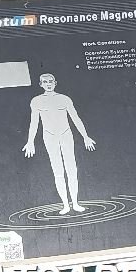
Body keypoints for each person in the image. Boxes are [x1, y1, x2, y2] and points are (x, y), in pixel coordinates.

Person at [23, 73, 96, 214]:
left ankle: (75, 203)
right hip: (49, 136)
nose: (48, 84)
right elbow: (34, 122)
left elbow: (75, 118)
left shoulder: (64, 99)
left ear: (55, 83)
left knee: (71, 169)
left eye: (50, 81)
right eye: (45, 82)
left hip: (66, 134)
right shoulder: (36, 101)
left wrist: (85, 136)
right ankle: (65, 205)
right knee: (58, 171)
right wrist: (30, 141)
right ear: (41, 84)